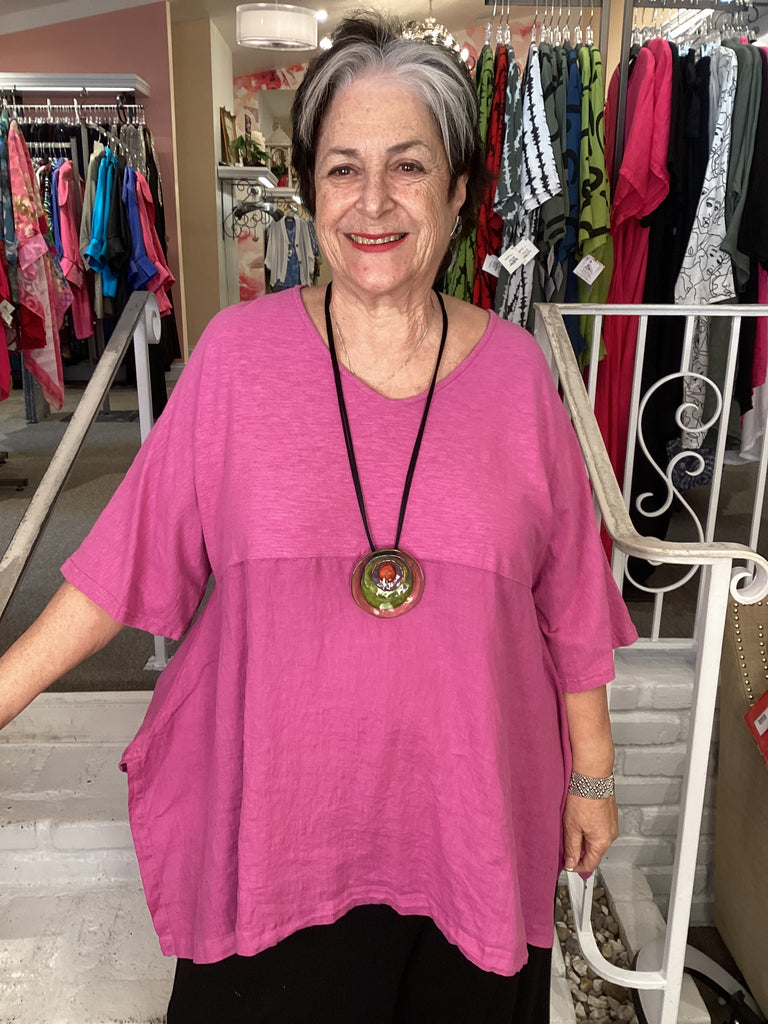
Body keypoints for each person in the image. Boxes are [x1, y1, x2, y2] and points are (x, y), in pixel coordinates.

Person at [0, 13, 637, 1023]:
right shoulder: (235, 359)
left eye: (408, 167)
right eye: (343, 169)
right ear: (307, 190)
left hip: (470, 826)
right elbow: (125, 561)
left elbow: (572, 603)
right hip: (277, 832)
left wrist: (592, 774)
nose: (373, 201)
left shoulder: (518, 377)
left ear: (460, 191)